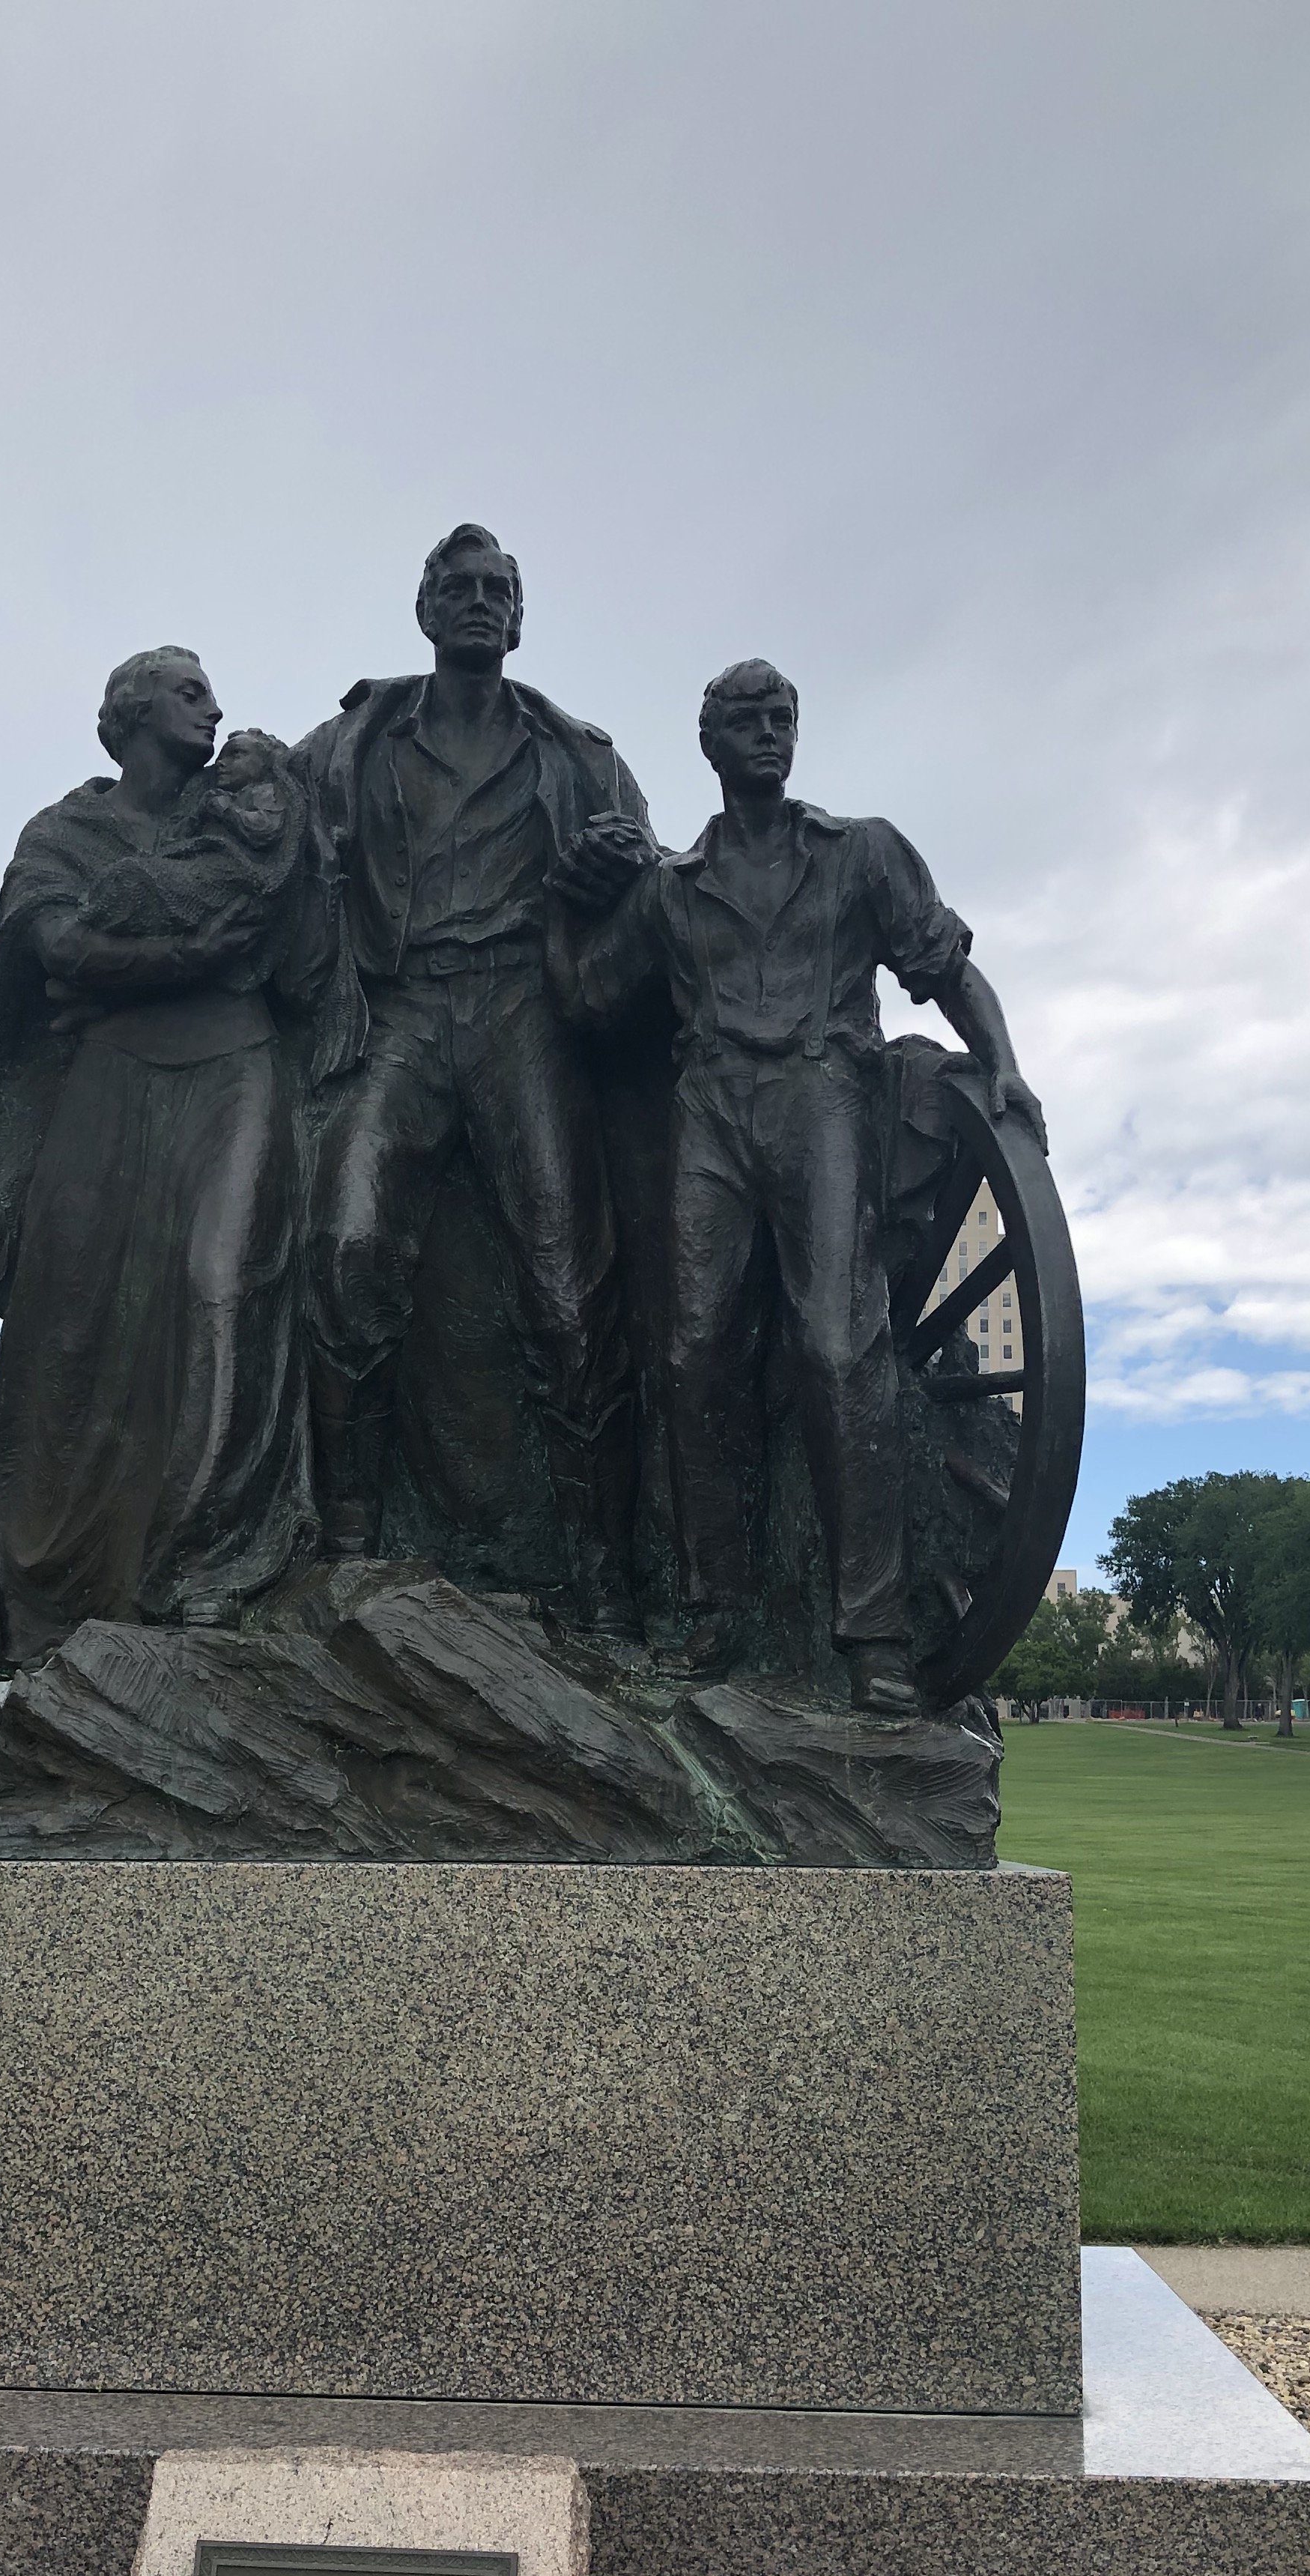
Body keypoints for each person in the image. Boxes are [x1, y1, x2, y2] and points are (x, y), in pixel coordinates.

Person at [554, 658, 1045, 1713]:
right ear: (711, 746)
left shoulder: (861, 851)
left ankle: (871, 1633)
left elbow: (943, 963)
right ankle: (714, 1609)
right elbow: (591, 1002)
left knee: (838, 1345)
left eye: (782, 718)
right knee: (692, 1357)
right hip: (711, 1110)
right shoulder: (671, 890)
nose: (770, 733)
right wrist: (569, 904)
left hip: (822, 1095)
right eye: (748, 721)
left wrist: (1002, 1059)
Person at [0, 646, 360, 1661]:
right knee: (68, 1323)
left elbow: (291, 955)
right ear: (131, 715)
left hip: (237, 1072)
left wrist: (137, 963)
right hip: (107, 1085)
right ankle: (50, 1596)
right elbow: (56, 949)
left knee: (223, 1291)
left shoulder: (255, 814)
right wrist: (202, 952)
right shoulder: (63, 834)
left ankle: (210, 1564)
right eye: (190, 693)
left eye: (211, 694)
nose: (214, 710)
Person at [294, 525, 655, 1631]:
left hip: (522, 1009)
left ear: (520, 618)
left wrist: (614, 873)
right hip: (400, 1010)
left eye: (500, 589)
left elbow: (653, 894)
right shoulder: (351, 742)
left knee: (570, 1287)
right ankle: (347, 1536)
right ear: (425, 610)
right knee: (346, 1243)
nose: (481, 601)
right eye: (460, 587)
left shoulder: (580, 757)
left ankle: (601, 1571)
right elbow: (264, 838)